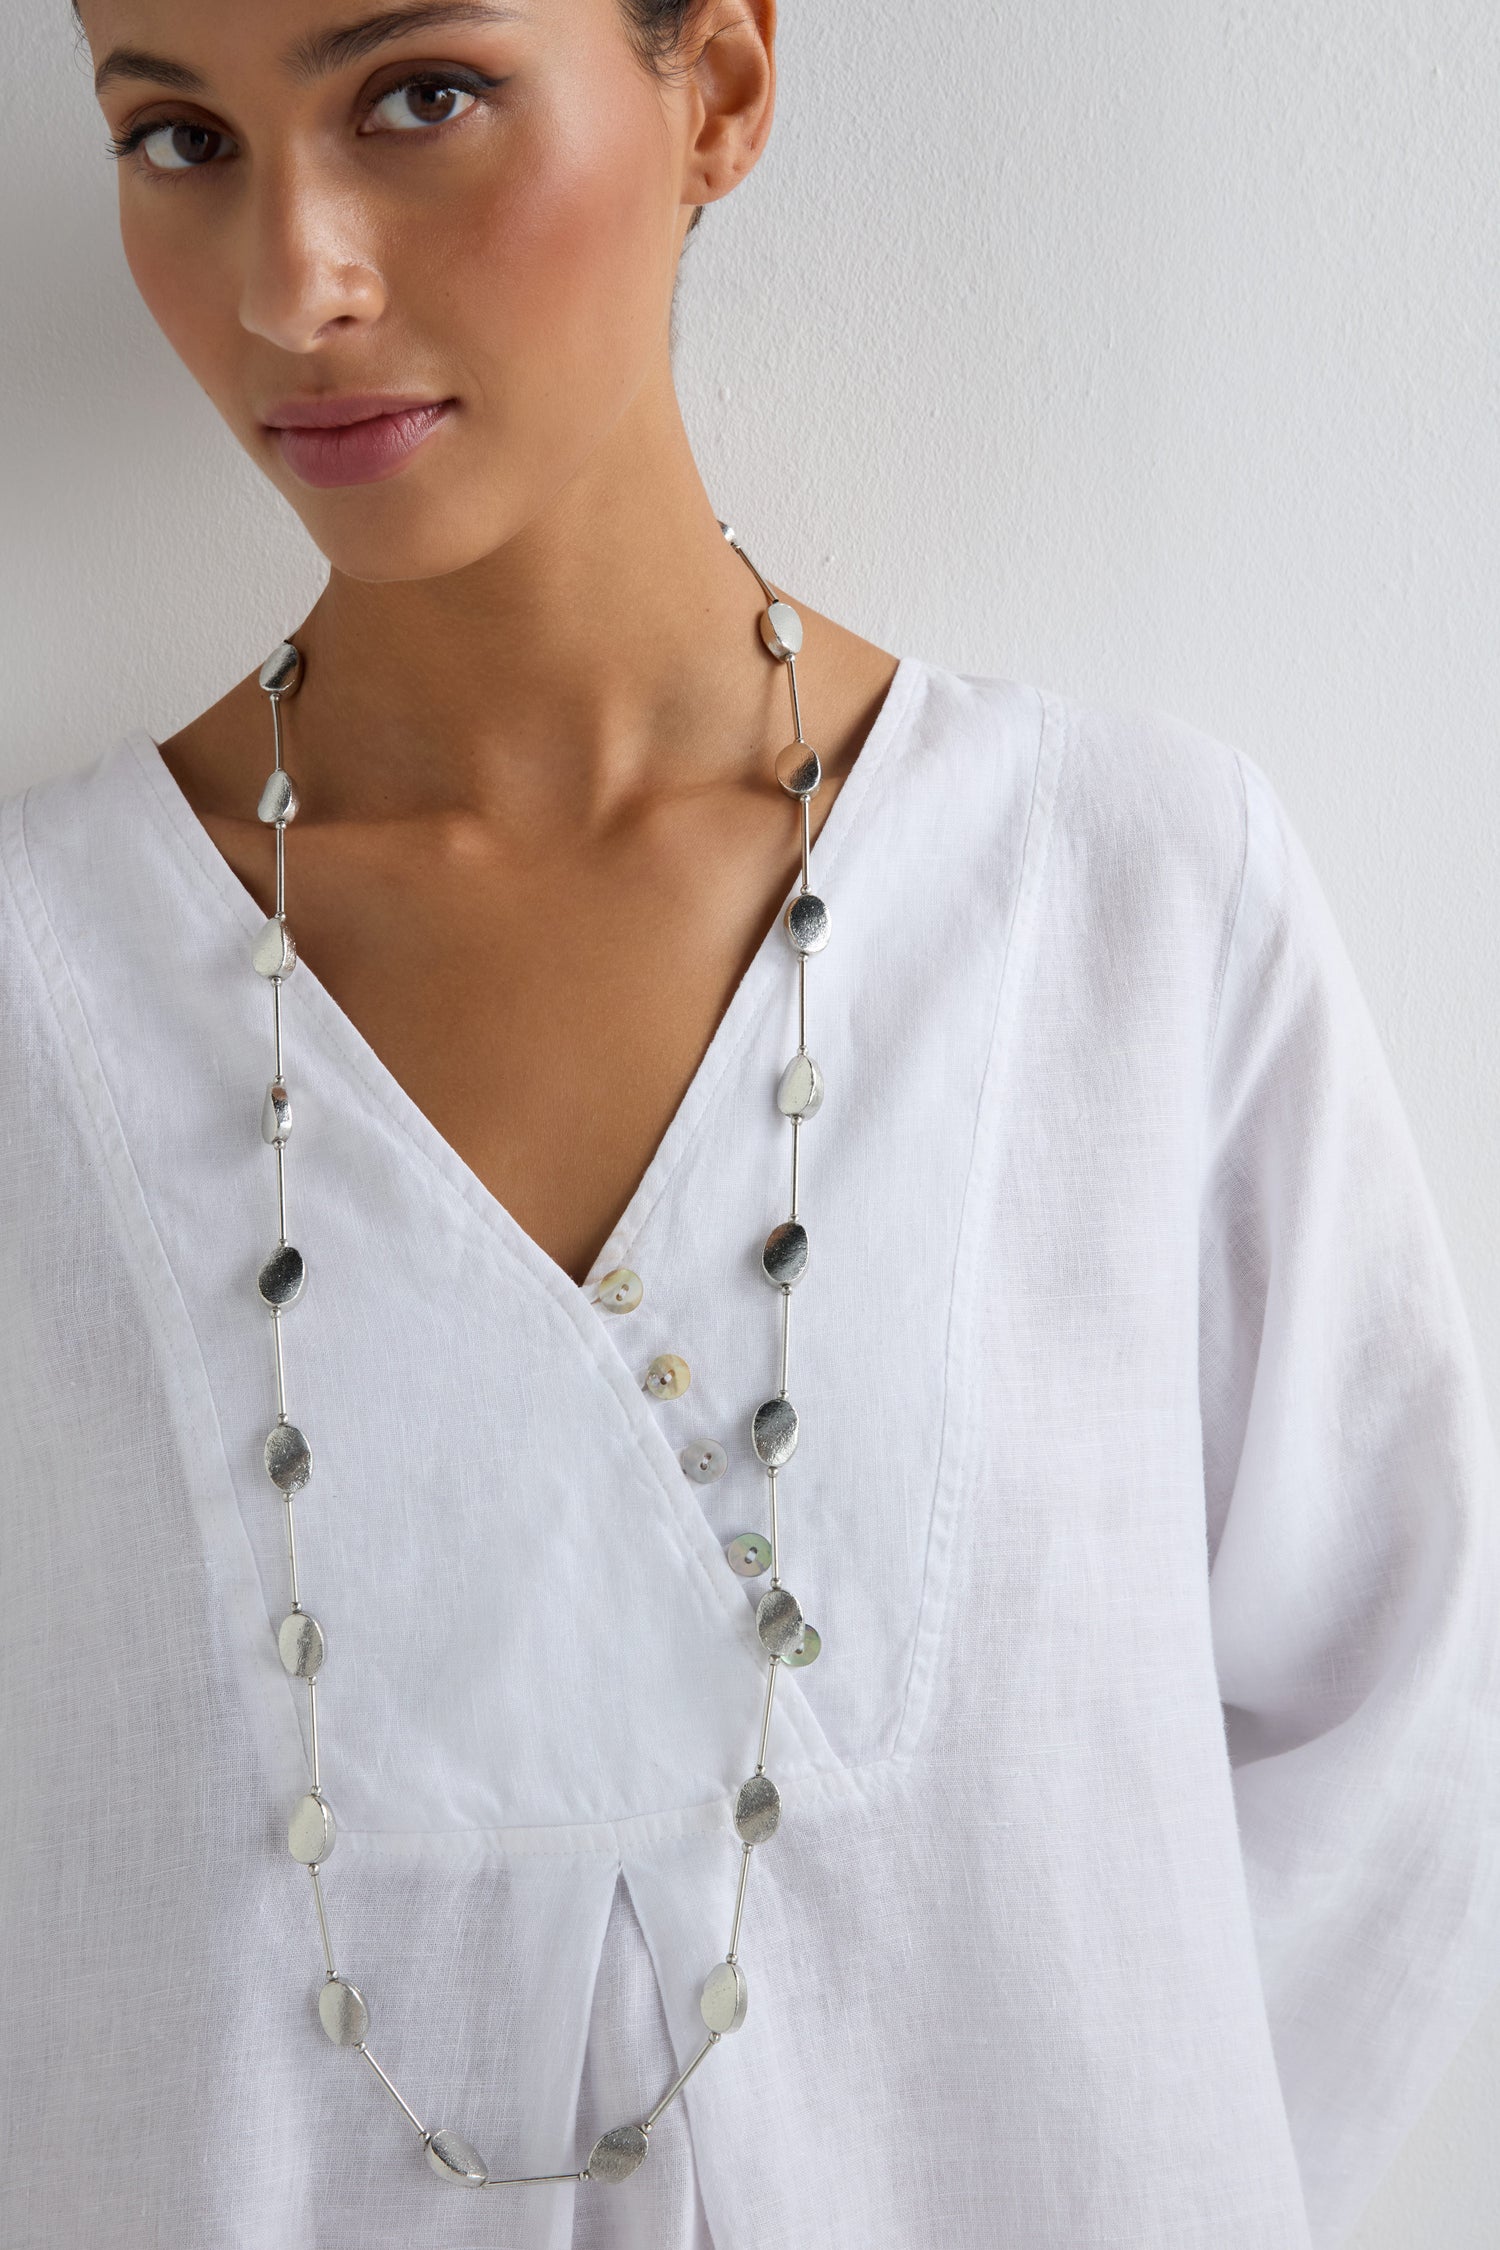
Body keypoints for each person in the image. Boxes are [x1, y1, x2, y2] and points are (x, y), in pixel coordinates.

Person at [3, 2, 1497, 2245]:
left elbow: (1395, 1736)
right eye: (179, 136)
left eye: (420, 96)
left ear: (714, 90)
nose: (289, 280)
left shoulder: (1125, 899)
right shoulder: (42, 990)